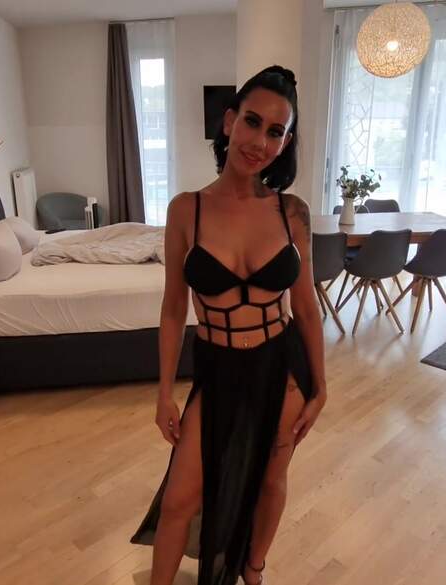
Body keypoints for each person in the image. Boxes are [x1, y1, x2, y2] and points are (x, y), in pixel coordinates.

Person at [130, 65, 328, 585]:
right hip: (217, 369)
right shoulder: (186, 210)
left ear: (285, 144)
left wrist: (322, 388)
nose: (259, 142)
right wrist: (164, 394)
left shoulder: (293, 212)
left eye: (275, 131)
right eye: (252, 122)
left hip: (281, 368)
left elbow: (306, 308)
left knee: (270, 482)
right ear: (229, 122)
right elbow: (173, 308)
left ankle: (253, 571)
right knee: (180, 498)